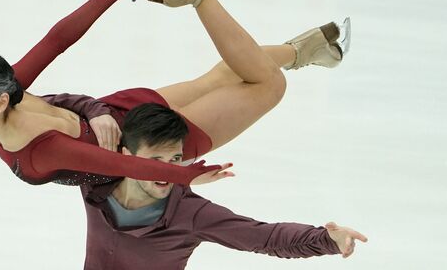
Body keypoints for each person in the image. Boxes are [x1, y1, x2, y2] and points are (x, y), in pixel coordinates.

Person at [0, 0, 348, 187]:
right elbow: (118, 164)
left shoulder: (12, 92)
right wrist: (185, 177)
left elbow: (58, 39)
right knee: (266, 82)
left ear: (2, 99)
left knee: (228, 77)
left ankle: (295, 46)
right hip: (150, 145)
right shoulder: (39, 151)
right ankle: (300, 49)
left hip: (122, 113)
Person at [79, 103, 367, 270]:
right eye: (156, 160)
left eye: (175, 159)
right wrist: (94, 109)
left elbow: (265, 237)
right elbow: (42, 110)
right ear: (126, 157)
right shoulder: (96, 180)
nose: (167, 170)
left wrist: (327, 240)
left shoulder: (190, 214)